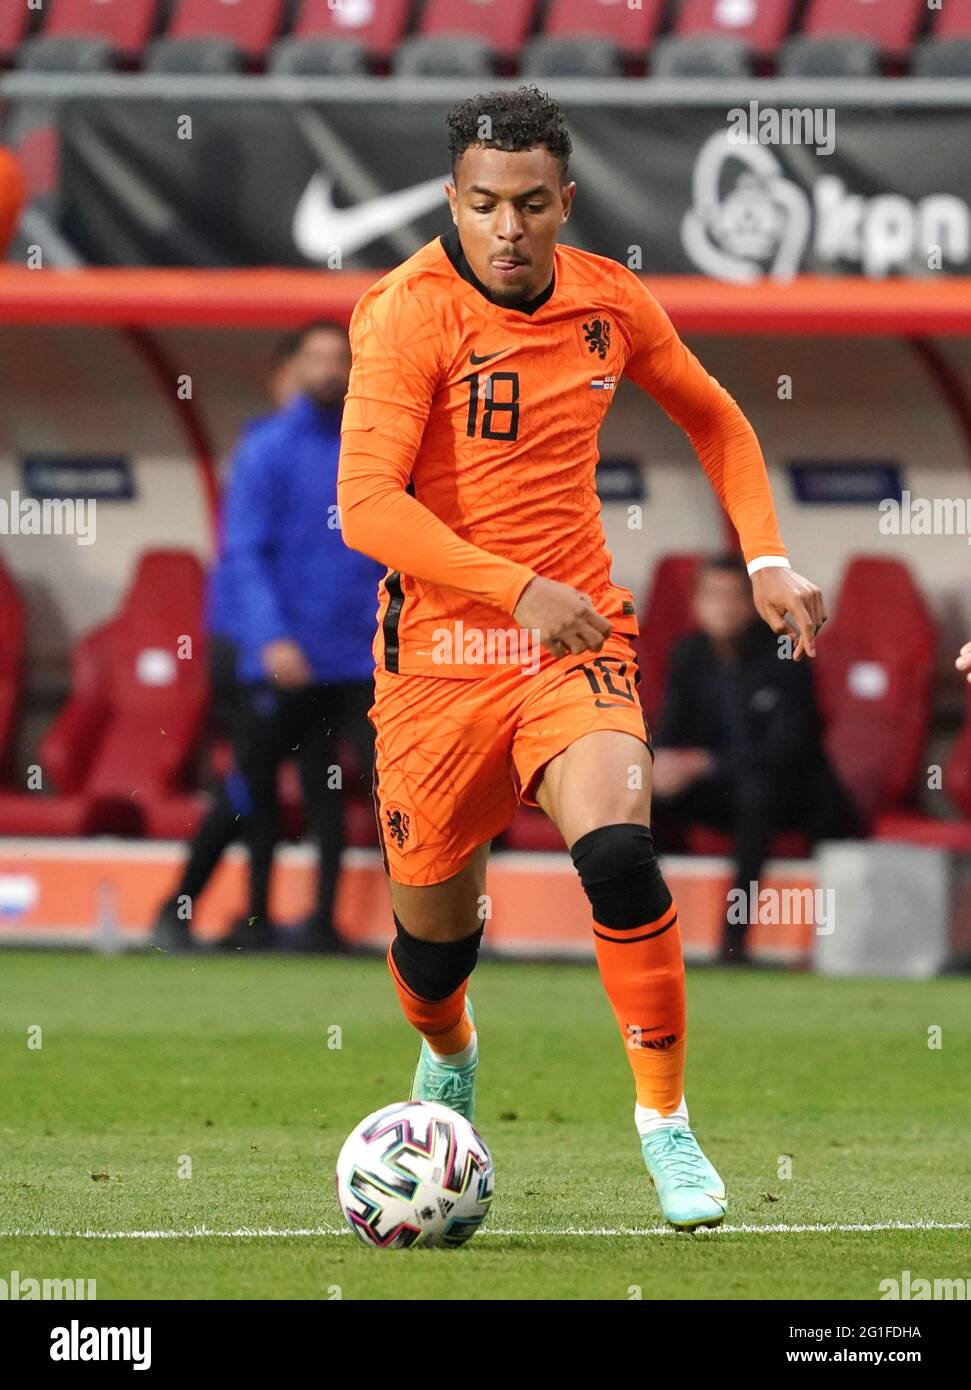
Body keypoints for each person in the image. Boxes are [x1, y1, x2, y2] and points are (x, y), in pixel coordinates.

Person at [336, 87, 827, 1231]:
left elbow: (715, 419)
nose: (504, 228)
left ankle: (665, 1126)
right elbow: (363, 507)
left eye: (528, 204)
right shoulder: (405, 312)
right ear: (452, 199)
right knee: (429, 953)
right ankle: (449, 1053)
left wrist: (763, 557)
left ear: (566, 200)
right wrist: (512, 585)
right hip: (439, 661)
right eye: (480, 203)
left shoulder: (611, 301)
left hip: (573, 645)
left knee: (616, 851)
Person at [154, 322, 383, 954]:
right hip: (286, 658)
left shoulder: (377, 446)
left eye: (340, 358)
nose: (330, 369)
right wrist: (272, 638)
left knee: (354, 787)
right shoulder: (267, 450)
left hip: (358, 659)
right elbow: (243, 556)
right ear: (293, 368)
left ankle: (326, 924)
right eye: (317, 357)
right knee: (248, 786)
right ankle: (179, 911)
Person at [651, 554, 857, 965]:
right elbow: (672, 731)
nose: (723, 607)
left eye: (734, 597)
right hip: (726, 790)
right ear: (696, 604)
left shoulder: (785, 650)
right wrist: (658, 765)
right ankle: (643, 928)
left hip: (795, 795)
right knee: (640, 795)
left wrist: (705, 764)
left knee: (756, 793)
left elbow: (786, 749)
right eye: (713, 596)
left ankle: (734, 940)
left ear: (753, 603)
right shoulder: (688, 655)